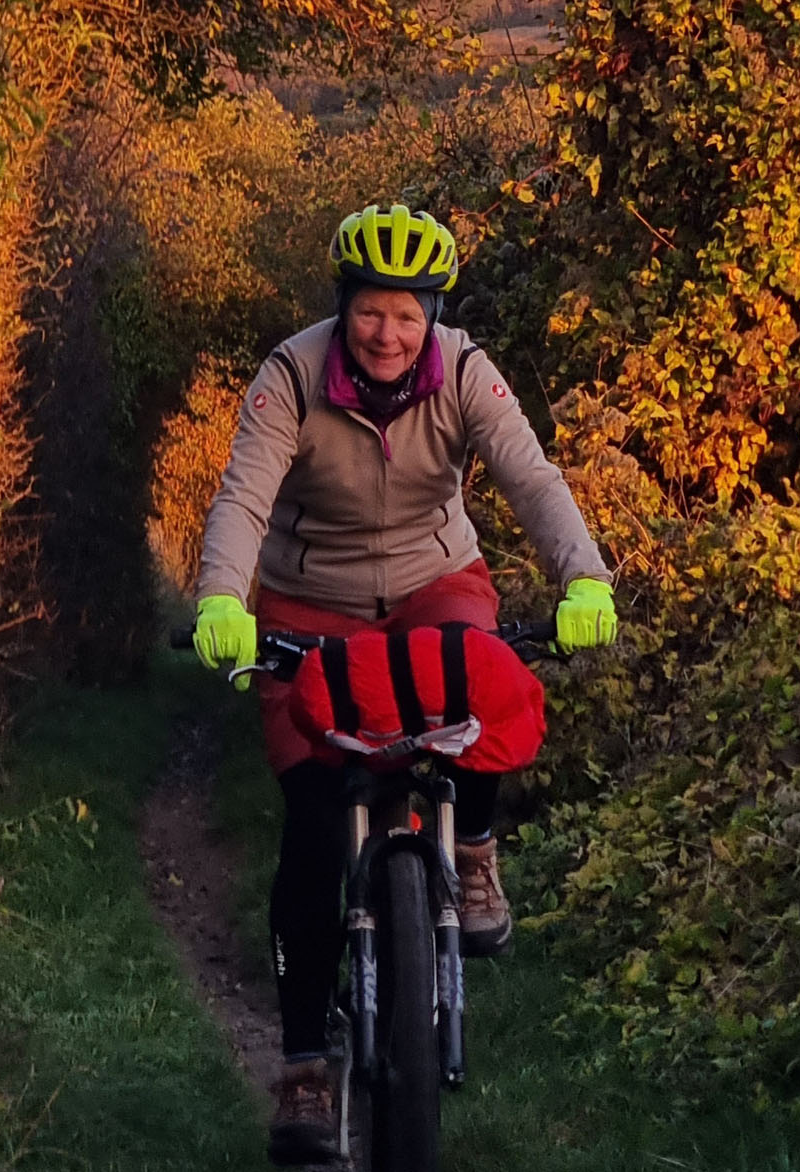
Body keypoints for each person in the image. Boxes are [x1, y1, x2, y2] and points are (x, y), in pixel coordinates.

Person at [192, 202, 617, 1167]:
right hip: (310, 601)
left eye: (407, 314)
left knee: (482, 680)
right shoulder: (292, 375)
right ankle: (305, 1066)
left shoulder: (464, 371)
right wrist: (221, 598)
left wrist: (584, 577)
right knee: (312, 827)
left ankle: (473, 848)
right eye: (370, 311)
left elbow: (532, 478)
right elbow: (243, 496)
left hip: (435, 583)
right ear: (343, 305)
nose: (387, 333)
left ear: (433, 315)